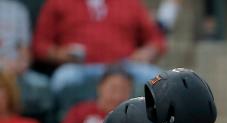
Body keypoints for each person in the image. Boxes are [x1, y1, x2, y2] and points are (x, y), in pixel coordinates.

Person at [32, 0, 166, 94]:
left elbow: (156, 39)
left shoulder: (130, 3)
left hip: (123, 66)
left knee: (156, 79)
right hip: (80, 67)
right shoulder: (58, 2)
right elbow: (39, 45)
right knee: (62, 79)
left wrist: (147, 52)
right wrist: (60, 54)